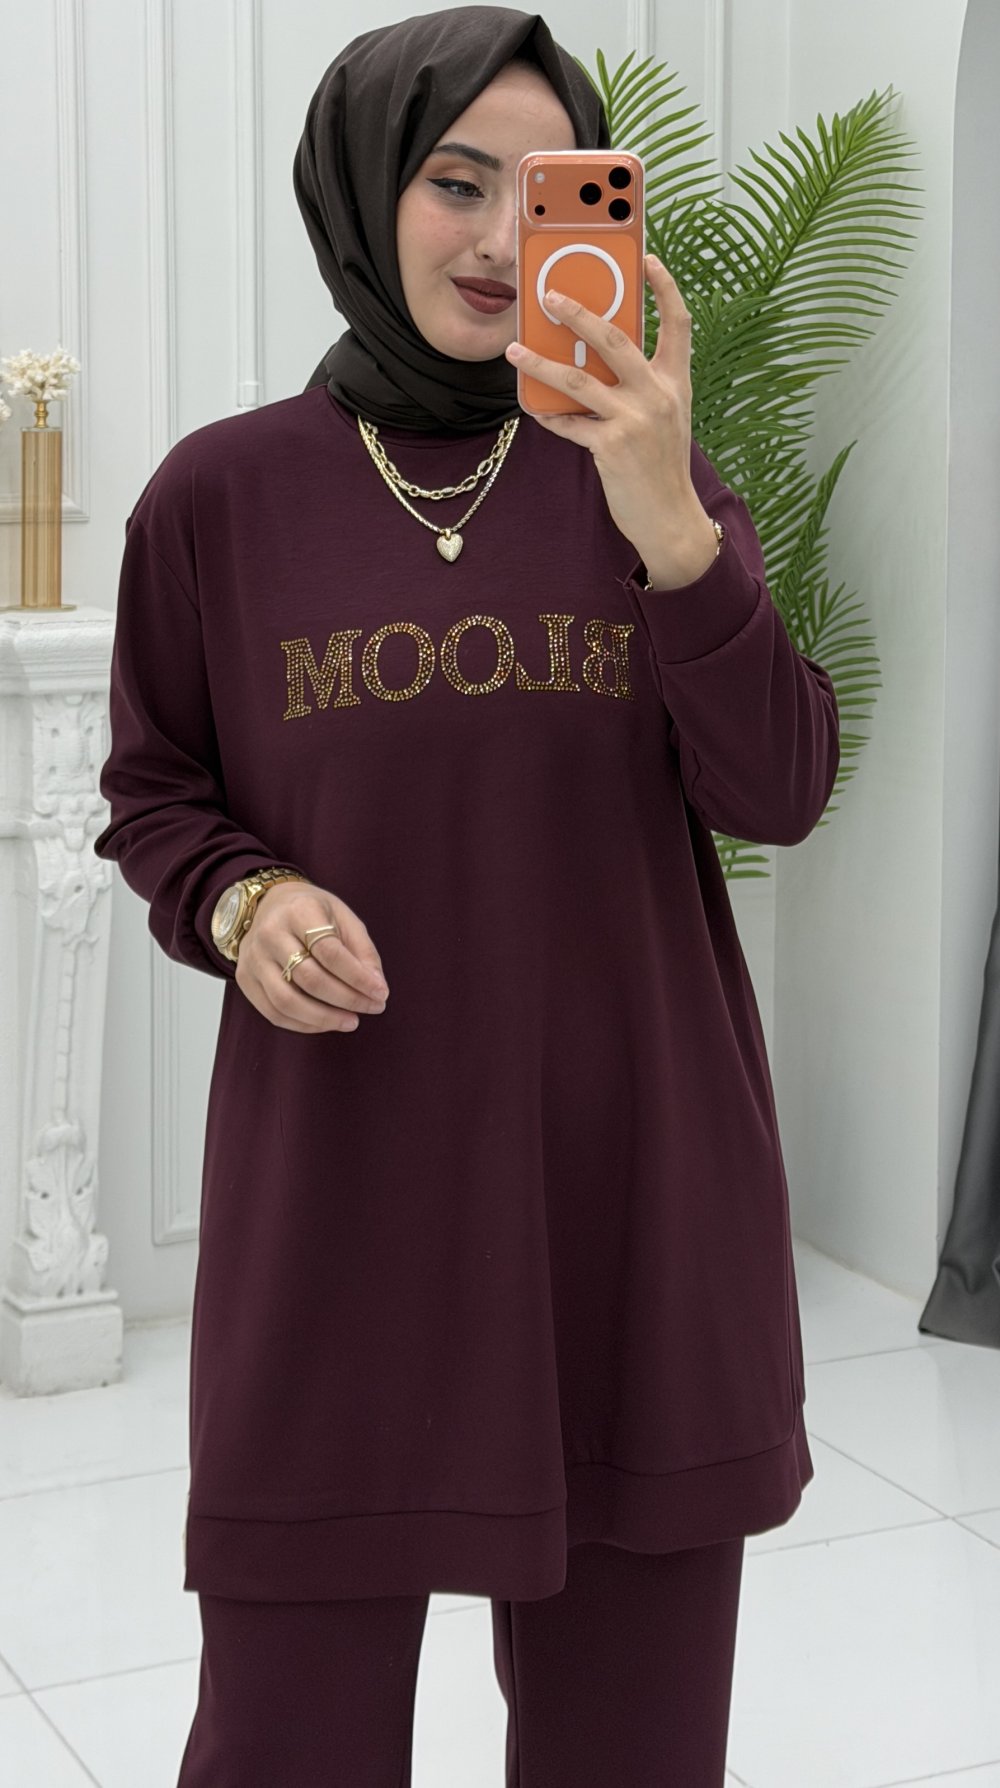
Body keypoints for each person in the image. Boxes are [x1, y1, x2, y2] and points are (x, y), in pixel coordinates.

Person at [93, 8, 840, 1784]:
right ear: (364, 192)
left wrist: (670, 524)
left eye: (549, 190)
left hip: (632, 1205)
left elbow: (781, 788)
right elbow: (156, 794)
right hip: (340, 1214)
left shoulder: (650, 476)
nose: (505, 239)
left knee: (630, 1752)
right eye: (453, 183)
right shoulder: (218, 499)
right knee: (285, 1745)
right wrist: (244, 905)